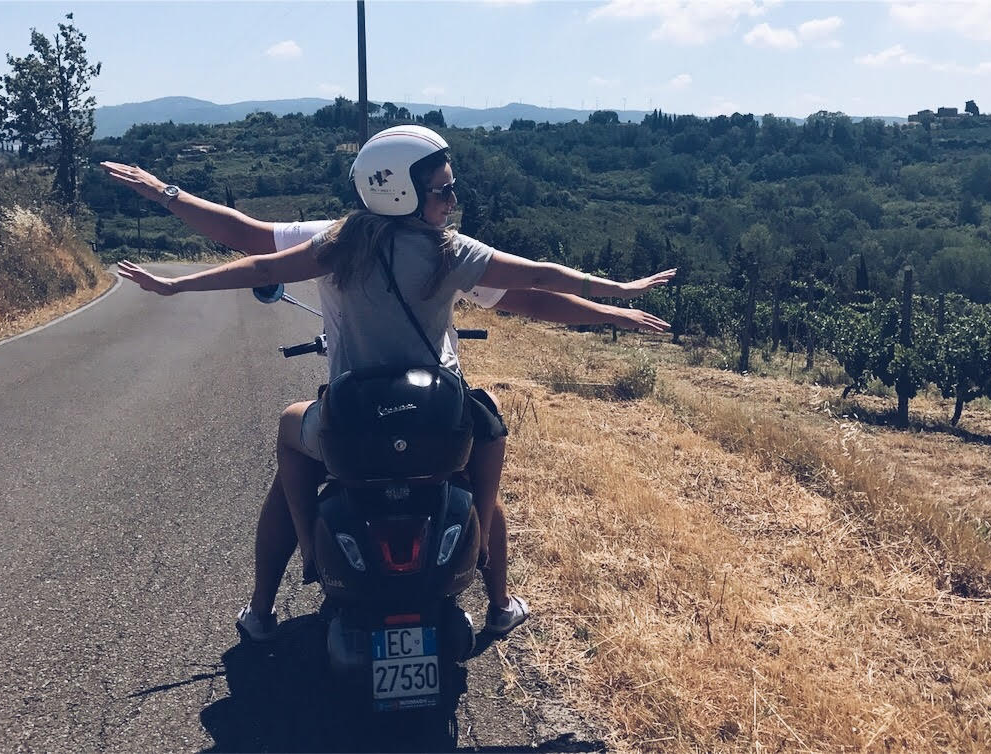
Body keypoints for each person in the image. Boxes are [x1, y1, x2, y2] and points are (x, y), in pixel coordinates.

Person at [107, 125, 674, 640]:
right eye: (443, 191)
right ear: (403, 191)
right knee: (482, 472)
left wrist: (171, 235)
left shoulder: (333, 242)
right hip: (437, 424)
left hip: (355, 426)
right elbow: (533, 285)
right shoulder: (451, 253)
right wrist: (615, 296)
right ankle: (499, 601)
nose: (452, 200)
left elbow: (252, 248)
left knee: (290, 435)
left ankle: (278, 589)